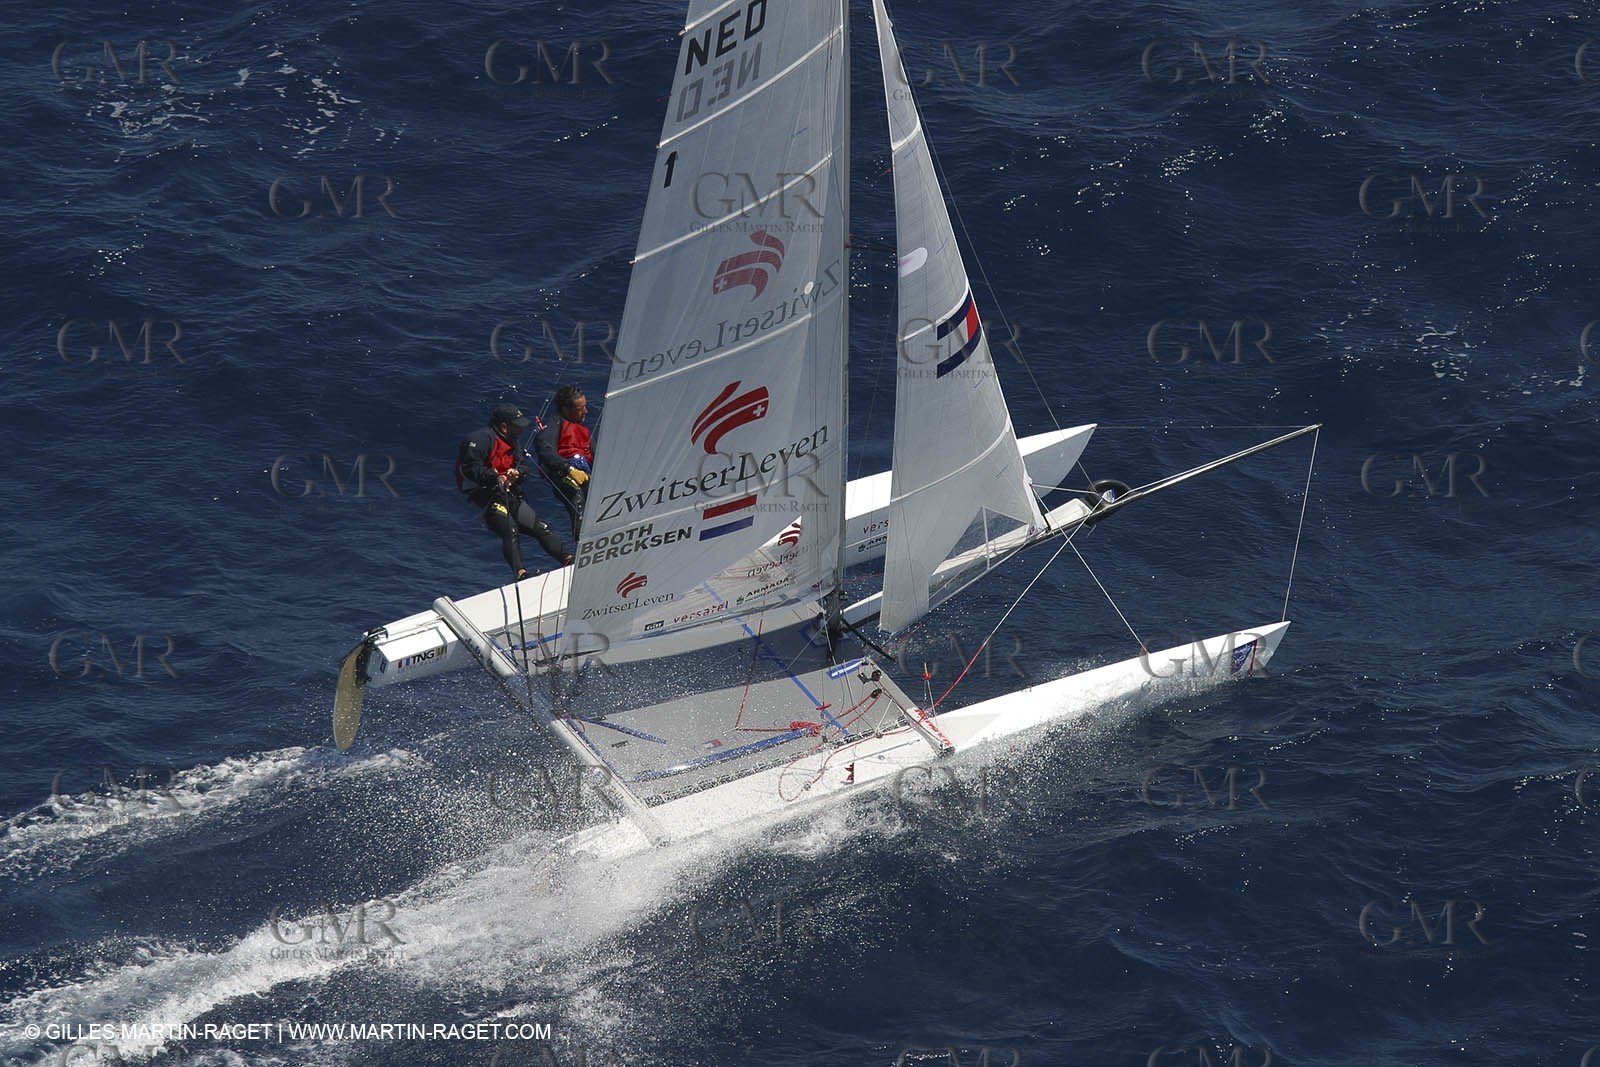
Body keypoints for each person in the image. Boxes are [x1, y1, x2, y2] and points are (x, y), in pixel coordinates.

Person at [456, 403, 573, 580]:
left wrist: (518, 473)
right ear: (504, 426)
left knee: (541, 527)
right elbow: (471, 468)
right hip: (487, 497)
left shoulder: (513, 443)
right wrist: (495, 477)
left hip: (510, 496)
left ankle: (569, 561)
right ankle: (521, 574)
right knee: (509, 528)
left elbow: (524, 467)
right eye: (517, 425)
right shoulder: (480, 438)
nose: (521, 429)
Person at [534, 384, 593, 538]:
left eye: (585, 407)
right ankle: (582, 544)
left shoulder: (584, 432)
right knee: (576, 497)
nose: (585, 412)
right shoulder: (554, 424)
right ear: (566, 410)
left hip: (586, 475)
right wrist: (570, 470)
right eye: (580, 409)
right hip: (565, 473)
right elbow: (544, 448)